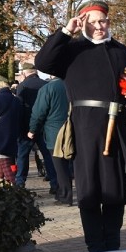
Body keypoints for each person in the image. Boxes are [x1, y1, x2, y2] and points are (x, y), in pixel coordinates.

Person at [36, 0, 126, 252]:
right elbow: (42, 62)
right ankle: (95, 248)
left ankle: (113, 246)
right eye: (94, 21)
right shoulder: (71, 50)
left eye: (104, 21)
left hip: (115, 127)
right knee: (89, 191)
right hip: (85, 129)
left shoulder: (121, 51)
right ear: (83, 22)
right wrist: (66, 31)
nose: (100, 26)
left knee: (115, 189)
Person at [28, 75, 73, 205]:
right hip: (76, 130)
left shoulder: (48, 88)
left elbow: (38, 112)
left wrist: (32, 129)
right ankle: (83, 194)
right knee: (75, 165)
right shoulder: (75, 85)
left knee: (60, 166)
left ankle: (65, 196)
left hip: (55, 133)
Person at [15, 62, 57, 192]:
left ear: (24, 73)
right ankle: (54, 183)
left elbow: (19, 108)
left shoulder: (22, 86)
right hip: (45, 126)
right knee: (48, 156)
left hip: (26, 127)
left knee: (22, 156)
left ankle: (20, 183)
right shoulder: (46, 85)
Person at [0, 76, 24, 183]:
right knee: (3, 161)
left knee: (4, 162)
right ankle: (0, 183)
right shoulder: (16, 100)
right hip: (13, 133)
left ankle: (13, 187)